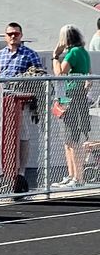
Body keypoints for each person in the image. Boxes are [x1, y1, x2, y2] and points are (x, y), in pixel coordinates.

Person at [0, 22, 44, 194]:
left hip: (21, 104)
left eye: (16, 34)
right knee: (2, 138)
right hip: (1, 101)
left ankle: (21, 173)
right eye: (9, 34)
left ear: (21, 36)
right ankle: (4, 172)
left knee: (22, 136)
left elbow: (39, 76)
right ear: (5, 36)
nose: (13, 37)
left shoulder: (29, 55)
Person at [51, 25, 91, 188]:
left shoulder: (73, 53)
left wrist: (55, 56)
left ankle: (77, 177)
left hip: (72, 97)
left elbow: (61, 73)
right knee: (69, 139)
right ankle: (72, 174)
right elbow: (88, 72)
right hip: (76, 96)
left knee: (72, 139)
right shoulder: (83, 52)